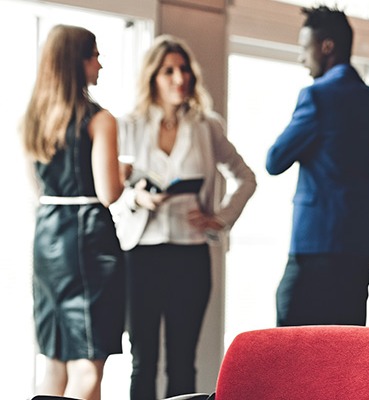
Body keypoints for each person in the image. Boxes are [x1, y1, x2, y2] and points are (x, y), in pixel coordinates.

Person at [110, 35, 257, 399]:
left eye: (185, 70)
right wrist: (135, 198)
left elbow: (246, 177)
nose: (180, 78)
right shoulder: (127, 126)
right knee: (142, 362)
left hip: (190, 255)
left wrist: (220, 218)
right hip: (140, 254)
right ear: (152, 77)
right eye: (169, 71)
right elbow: (108, 191)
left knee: (182, 363)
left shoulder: (208, 126)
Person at [266, 5, 369, 326]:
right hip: (360, 246)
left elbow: (275, 160)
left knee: (290, 345)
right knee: (344, 346)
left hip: (315, 244)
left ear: (326, 47)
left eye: (304, 48)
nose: (301, 57)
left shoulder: (316, 98)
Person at [23, 24, 124, 400]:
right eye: (94, 55)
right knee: (87, 365)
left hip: (47, 237)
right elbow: (108, 192)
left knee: (55, 362)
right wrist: (122, 173)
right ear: (76, 62)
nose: (100, 64)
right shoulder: (99, 119)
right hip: (88, 242)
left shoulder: (35, 120)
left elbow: (37, 192)